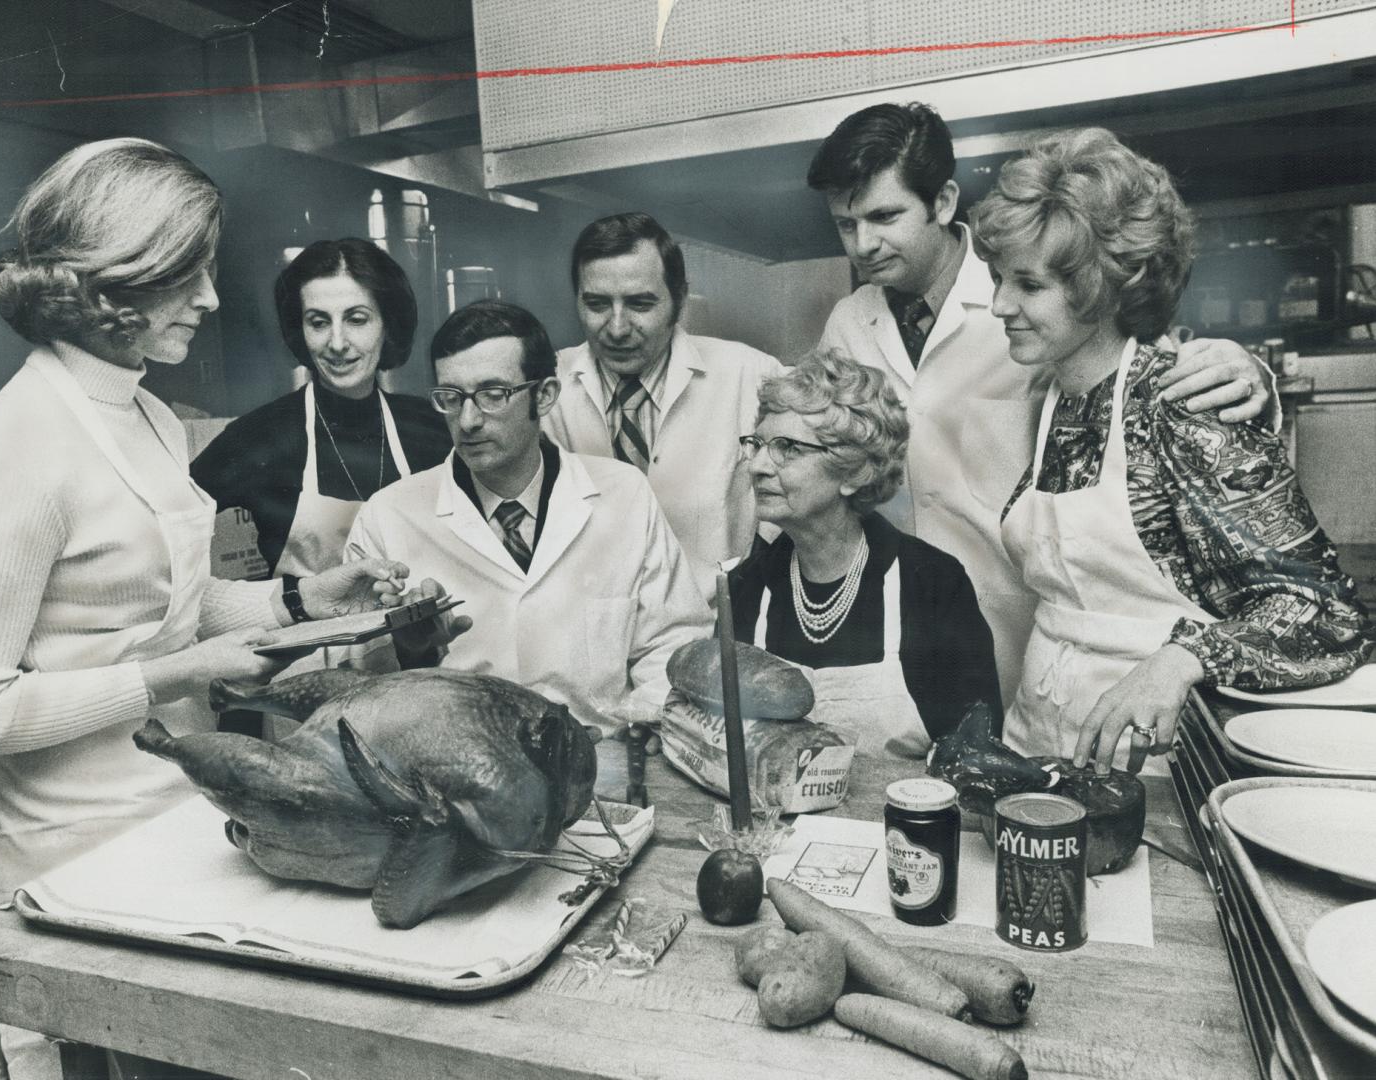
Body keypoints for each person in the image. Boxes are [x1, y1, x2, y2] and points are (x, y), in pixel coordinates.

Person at [0, 139, 424, 1080]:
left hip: (175, 819)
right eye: (187, 275)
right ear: (112, 284)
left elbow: (178, 602)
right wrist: (184, 675)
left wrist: (303, 598)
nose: (211, 300)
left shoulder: (151, 416)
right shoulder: (20, 446)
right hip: (65, 858)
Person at [807, 102, 1276, 709]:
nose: (863, 244)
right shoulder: (849, 322)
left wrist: (1249, 373)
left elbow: (1145, 371)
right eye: (846, 225)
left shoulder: (1041, 289)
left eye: (884, 216)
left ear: (943, 202)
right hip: (901, 620)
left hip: (1027, 623)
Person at [969, 127, 1372, 774]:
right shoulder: (1051, 400)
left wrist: (1184, 658)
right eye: (997, 279)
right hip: (1035, 755)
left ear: (1103, 287)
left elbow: (1327, 614)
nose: (998, 305)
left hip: (1155, 779)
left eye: (1028, 285)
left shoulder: (1183, 405)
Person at [346, 300, 712, 733]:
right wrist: (410, 651)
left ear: (545, 395)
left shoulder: (624, 495)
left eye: (493, 395)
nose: (468, 420)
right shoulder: (388, 517)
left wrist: (641, 724)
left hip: (602, 758)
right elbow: (356, 682)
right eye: (451, 398)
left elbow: (673, 640)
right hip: (457, 768)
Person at [728, 351, 1002, 756]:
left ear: (855, 472)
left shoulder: (931, 585)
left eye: (787, 448)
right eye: (758, 444)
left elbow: (976, 755)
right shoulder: (747, 585)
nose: (759, 467)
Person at [544, 212, 782, 596]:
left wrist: (753, 573)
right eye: (597, 304)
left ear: (680, 299)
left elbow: (797, 502)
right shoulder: (545, 389)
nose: (617, 328)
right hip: (597, 627)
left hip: (719, 625)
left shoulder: (750, 376)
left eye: (640, 304)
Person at [191, 237, 452, 577]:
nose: (338, 343)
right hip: (313, 630)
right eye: (318, 322)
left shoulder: (431, 426)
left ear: (387, 325)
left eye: (357, 319)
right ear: (299, 330)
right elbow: (159, 531)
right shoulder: (259, 437)